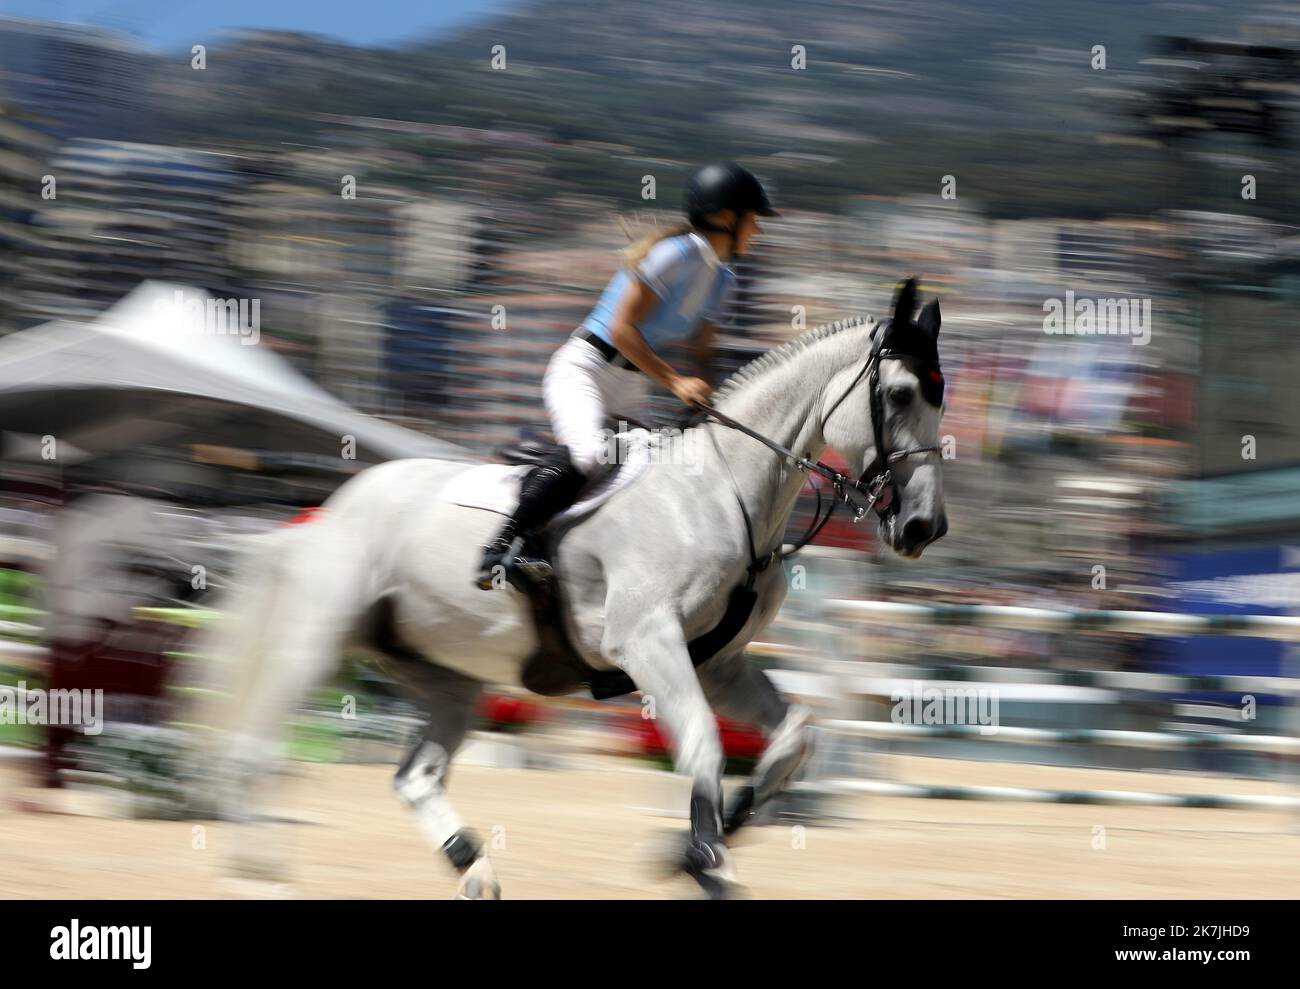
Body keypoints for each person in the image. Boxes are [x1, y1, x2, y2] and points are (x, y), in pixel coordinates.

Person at [475, 161, 777, 589]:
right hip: (586, 368)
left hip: (632, 387)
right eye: (754, 221)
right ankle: (501, 547)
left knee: (662, 469)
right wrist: (676, 383)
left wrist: (711, 395)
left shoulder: (723, 279)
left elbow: (703, 348)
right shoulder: (676, 254)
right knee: (590, 455)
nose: (759, 231)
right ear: (727, 218)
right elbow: (622, 329)